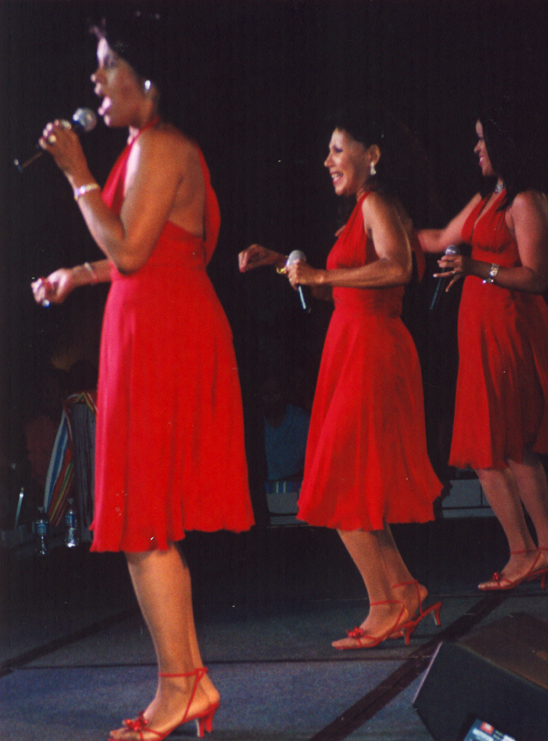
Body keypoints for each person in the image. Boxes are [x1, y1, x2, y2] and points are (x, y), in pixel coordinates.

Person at [31, 11, 254, 740]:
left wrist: (77, 175)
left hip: (161, 336)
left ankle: (181, 687)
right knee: (144, 520)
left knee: (141, 520)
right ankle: (188, 682)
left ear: (148, 75)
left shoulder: (160, 145)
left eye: (108, 63)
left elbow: (131, 252)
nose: (95, 79)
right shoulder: (146, 146)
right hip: (154, 326)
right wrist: (77, 274)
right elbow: (144, 252)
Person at [239, 107, 442, 649]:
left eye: (336, 149)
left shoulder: (375, 203)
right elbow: (342, 288)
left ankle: (383, 606)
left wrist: (321, 272)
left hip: (370, 349)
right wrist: (281, 263)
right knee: (355, 482)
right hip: (354, 347)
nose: (327, 161)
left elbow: (397, 267)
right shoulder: (362, 210)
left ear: (371, 154)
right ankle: (406, 592)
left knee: (338, 479)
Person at [417, 104, 548, 591]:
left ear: (504, 143)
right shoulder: (488, 197)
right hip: (480, 334)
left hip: (511, 329)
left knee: (503, 445)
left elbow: (536, 277)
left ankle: (539, 548)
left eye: (482, 139)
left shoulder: (526, 201)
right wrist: (383, 228)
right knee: (493, 448)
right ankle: (536, 547)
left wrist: (475, 269)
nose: (476, 148)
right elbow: (438, 238)